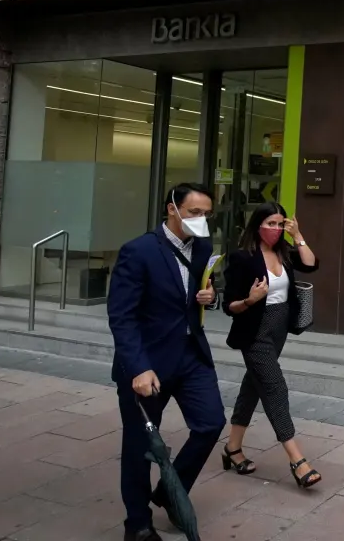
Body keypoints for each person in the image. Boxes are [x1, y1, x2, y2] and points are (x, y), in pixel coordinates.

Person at [107, 183, 224, 541]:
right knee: (140, 445)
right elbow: (122, 316)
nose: (201, 219)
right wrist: (138, 367)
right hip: (148, 362)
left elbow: (196, 294)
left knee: (210, 423)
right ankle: (138, 524)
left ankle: (170, 492)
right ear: (172, 209)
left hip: (191, 356)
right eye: (194, 212)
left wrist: (209, 296)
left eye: (206, 214)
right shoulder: (139, 251)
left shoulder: (203, 248)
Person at [221, 202, 322, 488]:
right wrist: (250, 300)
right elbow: (229, 305)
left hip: (279, 329)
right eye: (270, 224)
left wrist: (297, 235)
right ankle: (297, 460)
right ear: (258, 225)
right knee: (275, 387)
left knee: (253, 385)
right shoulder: (243, 257)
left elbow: (311, 264)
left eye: (280, 224)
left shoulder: (284, 252)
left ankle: (232, 448)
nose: (276, 229)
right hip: (254, 332)